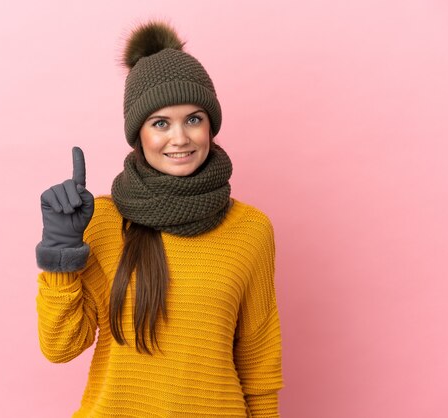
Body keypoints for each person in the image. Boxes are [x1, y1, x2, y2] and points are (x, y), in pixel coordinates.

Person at [35, 21, 283, 417]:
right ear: (139, 135)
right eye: (161, 123)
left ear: (211, 125)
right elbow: (61, 347)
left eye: (194, 119)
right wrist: (60, 254)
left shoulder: (251, 230)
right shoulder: (101, 220)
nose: (180, 138)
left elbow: (259, 364)